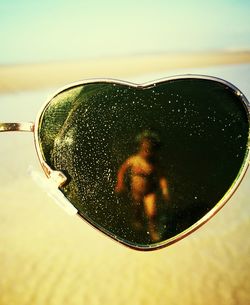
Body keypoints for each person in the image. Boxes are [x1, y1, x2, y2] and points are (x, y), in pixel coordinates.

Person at [115, 130, 170, 241]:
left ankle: (153, 231)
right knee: (137, 208)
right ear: (140, 148)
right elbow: (122, 170)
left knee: (152, 213)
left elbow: (161, 177)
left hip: (150, 191)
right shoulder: (134, 160)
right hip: (136, 191)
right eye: (145, 149)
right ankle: (137, 219)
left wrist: (165, 189)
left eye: (150, 150)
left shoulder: (155, 163)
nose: (147, 153)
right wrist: (120, 183)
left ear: (154, 151)